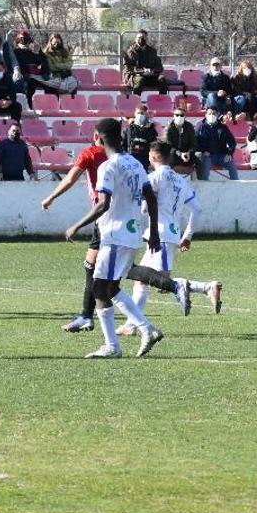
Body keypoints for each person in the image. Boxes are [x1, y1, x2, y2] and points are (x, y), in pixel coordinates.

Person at [63, 118, 164, 359]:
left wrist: (76, 226)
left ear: (97, 137)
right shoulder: (135, 164)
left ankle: (116, 344)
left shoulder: (107, 167)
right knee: (111, 287)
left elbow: (103, 204)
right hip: (132, 233)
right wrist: (154, 232)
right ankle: (145, 330)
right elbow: (150, 196)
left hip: (114, 234)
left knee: (99, 287)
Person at [115, 141, 224, 338]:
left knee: (161, 282)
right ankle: (131, 325)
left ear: (154, 157)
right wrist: (187, 236)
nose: (148, 156)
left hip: (160, 236)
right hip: (169, 234)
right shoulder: (181, 180)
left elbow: (144, 205)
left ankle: (206, 287)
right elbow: (197, 210)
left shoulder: (154, 178)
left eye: (149, 154)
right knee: (141, 281)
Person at [41, 134, 109, 334]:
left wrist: (51, 197)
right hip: (121, 215)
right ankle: (86, 316)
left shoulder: (89, 153)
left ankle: (180, 286)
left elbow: (70, 178)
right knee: (95, 267)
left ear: (96, 136)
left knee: (112, 270)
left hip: (104, 216)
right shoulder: (123, 157)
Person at [195, 109, 239, 181]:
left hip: (221, 155)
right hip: (208, 156)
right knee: (205, 166)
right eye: (209, 114)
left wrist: (229, 153)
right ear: (206, 115)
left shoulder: (223, 127)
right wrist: (203, 151)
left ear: (217, 115)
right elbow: (196, 142)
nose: (212, 115)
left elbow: (232, 142)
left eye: (214, 113)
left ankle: (237, 185)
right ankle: (204, 186)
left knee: (231, 164)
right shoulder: (200, 128)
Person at [121, 29, 166, 95]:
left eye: (144, 38)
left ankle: (162, 102)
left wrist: (152, 71)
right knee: (140, 80)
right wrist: (142, 71)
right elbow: (128, 68)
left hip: (150, 76)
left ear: (147, 39)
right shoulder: (129, 52)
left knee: (162, 79)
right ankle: (136, 102)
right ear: (135, 39)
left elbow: (159, 67)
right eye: (139, 38)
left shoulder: (152, 51)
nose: (141, 39)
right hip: (134, 76)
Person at [12, 29, 51, 103]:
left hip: (39, 75)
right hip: (27, 76)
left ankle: (49, 105)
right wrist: (25, 74)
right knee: (29, 86)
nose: (23, 40)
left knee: (51, 86)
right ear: (18, 40)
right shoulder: (16, 51)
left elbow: (44, 61)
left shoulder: (34, 49)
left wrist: (38, 53)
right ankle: (29, 106)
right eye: (21, 38)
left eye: (25, 38)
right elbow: (17, 64)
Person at [163, 108, 199, 175]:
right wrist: (179, 153)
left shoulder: (189, 126)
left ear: (185, 116)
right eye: (177, 115)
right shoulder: (169, 127)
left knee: (199, 162)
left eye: (181, 115)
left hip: (186, 153)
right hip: (173, 153)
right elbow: (168, 145)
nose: (179, 117)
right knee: (170, 157)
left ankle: (200, 182)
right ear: (173, 116)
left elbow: (194, 144)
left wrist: (189, 152)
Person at [125, 104, 157, 170]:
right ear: (135, 114)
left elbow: (153, 145)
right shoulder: (130, 128)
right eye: (138, 113)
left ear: (146, 115)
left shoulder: (151, 129)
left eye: (142, 113)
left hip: (145, 159)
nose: (140, 115)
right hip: (131, 157)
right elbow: (124, 143)